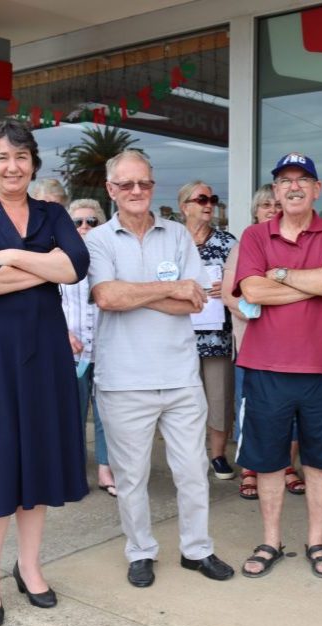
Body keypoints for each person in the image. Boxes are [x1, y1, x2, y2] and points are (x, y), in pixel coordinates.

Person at [0, 119, 90, 626]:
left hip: (44, 353)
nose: (13, 166)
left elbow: (76, 266)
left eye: (22, 156)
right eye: (3, 157)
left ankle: (29, 567)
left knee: (38, 460)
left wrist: (10, 257)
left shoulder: (52, 212)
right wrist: (41, 264)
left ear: (33, 164)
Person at [86, 149, 233, 588]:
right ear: (111, 190)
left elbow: (195, 301)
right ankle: (141, 551)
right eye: (126, 184)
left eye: (144, 183)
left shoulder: (177, 235)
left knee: (193, 471)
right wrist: (168, 288)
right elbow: (107, 298)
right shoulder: (98, 240)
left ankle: (197, 549)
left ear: (153, 186)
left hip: (180, 377)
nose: (136, 191)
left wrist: (136, 292)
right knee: (132, 478)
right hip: (123, 380)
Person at [232, 152, 322, 579]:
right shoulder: (255, 235)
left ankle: (316, 540)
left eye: (303, 179)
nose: (294, 186)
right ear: (276, 190)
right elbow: (252, 290)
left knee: (320, 462)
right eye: (285, 181)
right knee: (268, 461)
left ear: (317, 189)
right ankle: (271, 540)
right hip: (266, 366)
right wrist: (312, 280)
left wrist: (278, 274)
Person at [223, 186, 305, 500]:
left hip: (294, 345)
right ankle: (249, 470)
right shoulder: (245, 243)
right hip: (253, 343)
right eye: (265, 205)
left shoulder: (297, 245)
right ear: (256, 211)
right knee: (251, 410)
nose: (272, 209)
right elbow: (233, 295)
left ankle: (286, 466)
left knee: (291, 410)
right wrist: (273, 304)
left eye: (277, 203)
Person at [178, 180, 237, 482]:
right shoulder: (171, 240)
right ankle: (189, 458)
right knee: (182, 402)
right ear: (184, 205)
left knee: (218, 398)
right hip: (176, 336)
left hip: (216, 336)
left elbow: (242, 284)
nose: (208, 204)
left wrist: (227, 287)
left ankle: (217, 455)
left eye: (212, 198)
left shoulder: (228, 242)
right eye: (200, 199)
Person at [63, 198, 116, 496]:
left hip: (107, 351)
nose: (84, 227)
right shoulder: (59, 260)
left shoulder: (110, 259)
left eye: (91, 221)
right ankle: (73, 473)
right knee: (73, 414)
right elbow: (47, 303)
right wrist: (60, 333)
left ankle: (106, 470)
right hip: (71, 352)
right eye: (77, 222)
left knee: (107, 415)